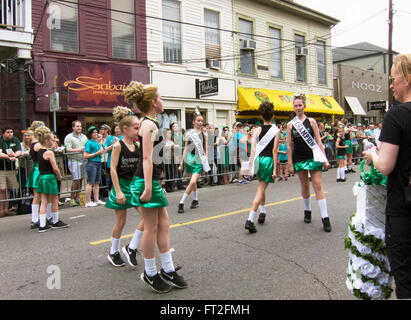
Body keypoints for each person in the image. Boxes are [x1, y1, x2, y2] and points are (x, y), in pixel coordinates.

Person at [123, 81, 187, 293]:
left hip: (149, 179)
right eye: (160, 98)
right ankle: (150, 273)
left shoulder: (149, 122)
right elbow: (147, 158)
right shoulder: (149, 124)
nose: (162, 101)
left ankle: (167, 269)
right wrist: (149, 187)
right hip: (145, 180)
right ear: (153, 102)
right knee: (151, 227)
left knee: (164, 224)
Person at [363, 54, 411, 299]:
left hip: (403, 209)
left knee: (405, 281)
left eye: (394, 79)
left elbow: (386, 166)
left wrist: (372, 153)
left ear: (408, 79)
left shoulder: (397, 115)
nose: (391, 85)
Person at [286, 94, 332, 232]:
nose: (298, 108)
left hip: (313, 156)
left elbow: (318, 141)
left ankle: (325, 218)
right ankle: (307, 210)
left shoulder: (311, 121)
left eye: (300, 105)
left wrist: (324, 159)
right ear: (293, 107)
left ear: (304, 106)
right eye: (296, 106)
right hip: (299, 157)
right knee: (304, 185)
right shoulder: (290, 124)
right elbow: (289, 145)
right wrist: (289, 163)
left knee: (317, 184)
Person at [105, 106, 144, 268]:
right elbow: (112, 169)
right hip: (121, 185)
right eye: (136, 128)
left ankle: (131, 247)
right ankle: (113, 252)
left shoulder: (137, 146)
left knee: (147, 217)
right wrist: (118, 191)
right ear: (125, 129)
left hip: (134, 185)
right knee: (121, 222)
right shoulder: (117, 146)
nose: (138, 131)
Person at [245, 102, 280, 233]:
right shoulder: (276, 130)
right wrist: (275, 169)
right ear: (273, 116)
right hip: (268, 161)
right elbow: (275, 150)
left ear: (261, 116)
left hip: (258, 160)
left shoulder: (256, 130)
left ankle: (263, 212)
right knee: (261, 189)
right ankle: (250, 219)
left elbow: (253, 149)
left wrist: (250, 166)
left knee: (262, 185)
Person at [35, 126, 69, 232]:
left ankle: (42, 224)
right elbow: (55, 167)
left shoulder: (40, 151)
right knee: (54, 200)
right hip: (50, 178)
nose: (53, 141)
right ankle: (55, 221)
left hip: (41, 177)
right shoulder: (49, 153)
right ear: (46, 141)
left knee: (44, 201)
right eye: (51, 139)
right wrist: (59, 176)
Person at [178, 112, 208, 214]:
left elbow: (205, 149)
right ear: (193, 122)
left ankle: (181, 202)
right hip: (189, 159)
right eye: (198, 121)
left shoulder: (205, 134)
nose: (200, 122)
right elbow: (185, 148)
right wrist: (182, 162)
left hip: (199, 160)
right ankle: (195, 200)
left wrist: (205, 162)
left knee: (192, 181)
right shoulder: (188, 134)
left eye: (202, 121)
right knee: (193, 182)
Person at [25, 122, 45, 227]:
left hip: (36, 169)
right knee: (42, 196)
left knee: (37, 196)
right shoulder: (38, 144)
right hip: (39, 170)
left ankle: (35, 219)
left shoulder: (34, 143)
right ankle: (41, 218)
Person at [64, 121, 87, 207]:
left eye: (80, 126)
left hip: (83, 160)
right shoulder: (69, 137)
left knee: (81, 179)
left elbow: (86, 146)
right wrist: (78, 150)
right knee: (75, 180)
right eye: (77, 126)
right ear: (73, 127)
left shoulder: (84, 137)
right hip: (74, 160)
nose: (79, 128)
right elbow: (68, 149)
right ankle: (72, 199)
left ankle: (78, 197)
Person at [0, 127, 22, 217]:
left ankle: (6, 209)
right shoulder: (0, 140)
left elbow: (19, 151)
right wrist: (8, 157)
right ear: (3, 133)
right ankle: (1, 210)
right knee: (2, 189)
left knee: (9, 189)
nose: (10, 134)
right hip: (1, 168)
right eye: (7, 132)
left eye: (11, 132)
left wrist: (15, 155)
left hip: (11, 168)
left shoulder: (15, 140)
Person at [83, 126, 105, 207]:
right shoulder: (88, 142)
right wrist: (97, 153)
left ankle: (96, 199)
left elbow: (99, 152)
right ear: (90, 134)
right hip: (92, 163)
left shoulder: (96, 142)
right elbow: (85, 155)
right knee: (90, 183)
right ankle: (88, 201)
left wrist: (100, 152)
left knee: (97, 183)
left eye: (96, 132)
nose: (95, 134)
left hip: (98, 163)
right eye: (93, 132)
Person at [170, 122, 184, 190]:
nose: (175, 127)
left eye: (176, 126)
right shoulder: (171, 135)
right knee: (174, 171)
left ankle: (180, 184)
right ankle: (173, 185)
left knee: (180, 170)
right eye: (174, 126)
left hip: (181, 154)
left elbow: (184, 142)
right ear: (172, 128)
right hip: (174, 155)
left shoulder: (181, 134)